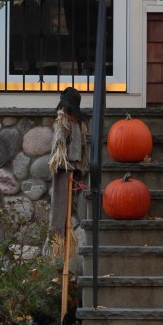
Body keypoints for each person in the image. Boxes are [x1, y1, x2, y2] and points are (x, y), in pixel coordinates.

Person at [48, 86, 88, 252]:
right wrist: (60, 159)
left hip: (76, 168)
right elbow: (59, 143)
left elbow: (82, 146)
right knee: (60, 202)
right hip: (64, 168)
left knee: (74, 203)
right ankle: (57, 237)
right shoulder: (62, 123)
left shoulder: (79, 125)